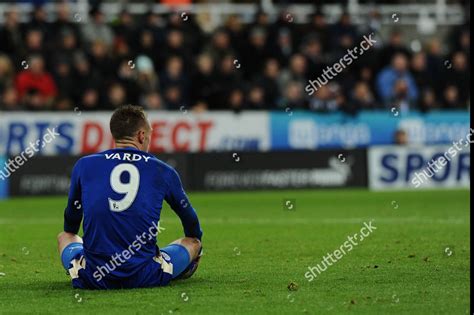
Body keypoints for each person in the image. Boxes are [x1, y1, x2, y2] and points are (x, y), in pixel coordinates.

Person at [57, 105, 203, 289]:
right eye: (149, 134)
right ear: (142, 135)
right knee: (193, 242)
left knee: (65, 236)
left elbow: (71, 219)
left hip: (95, 276)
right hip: (145, 275)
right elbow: (190, 220)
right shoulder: (163, 170)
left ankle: (81, 267)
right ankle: (170, 267)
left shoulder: (84, 165)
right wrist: (197, 243)